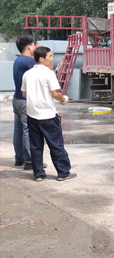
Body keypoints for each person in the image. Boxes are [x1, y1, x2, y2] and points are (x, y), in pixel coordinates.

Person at [21, 46, 76, 182]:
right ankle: (63, 172)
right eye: (50, 56)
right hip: (48, 116)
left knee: (36, 146)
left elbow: (24, 94)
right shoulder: (48, 73)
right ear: (41, 59)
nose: (52, 59)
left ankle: (38, 174)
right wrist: (63, 99)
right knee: (56, 144)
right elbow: (55, 93)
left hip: (32, 115)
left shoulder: (27, 74)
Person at [12, 36, 36, 169]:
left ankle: (19, 158)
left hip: (16, 99)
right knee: (28, 130)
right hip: (25, 100)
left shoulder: (17, 60)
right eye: (34, 45)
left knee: (18, 130)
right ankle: (30, 161)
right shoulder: (29, 61)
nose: (35, 47)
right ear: (28, 47)